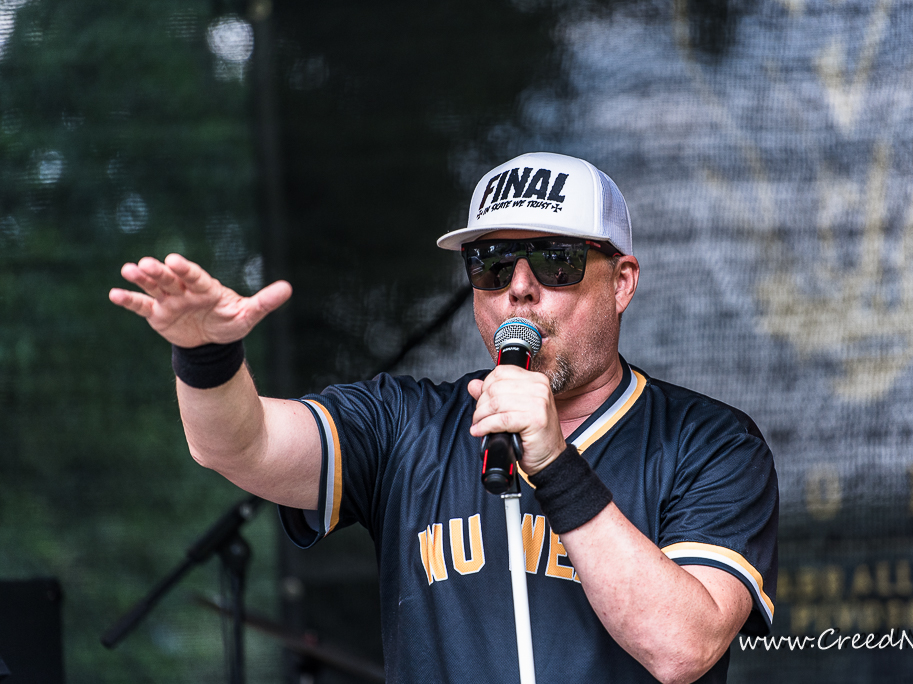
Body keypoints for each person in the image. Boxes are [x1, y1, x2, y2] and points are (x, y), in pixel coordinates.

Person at [109, 152, 778, 684]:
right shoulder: (407, 424)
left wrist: (554, 464)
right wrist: (206, 355)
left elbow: (682, 649)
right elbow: (240, 446)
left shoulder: (710, 443)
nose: (520, 286)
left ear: (622, 281)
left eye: (556, 261)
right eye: (491, 265)